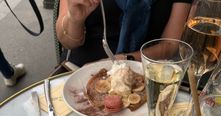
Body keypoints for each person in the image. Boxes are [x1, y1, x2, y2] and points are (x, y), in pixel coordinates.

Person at [56, 0, 192, 67]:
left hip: (142, 72)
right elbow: (67, 42)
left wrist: (124, 61)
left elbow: (171, 44)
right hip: (82, 71)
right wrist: (75, 19)